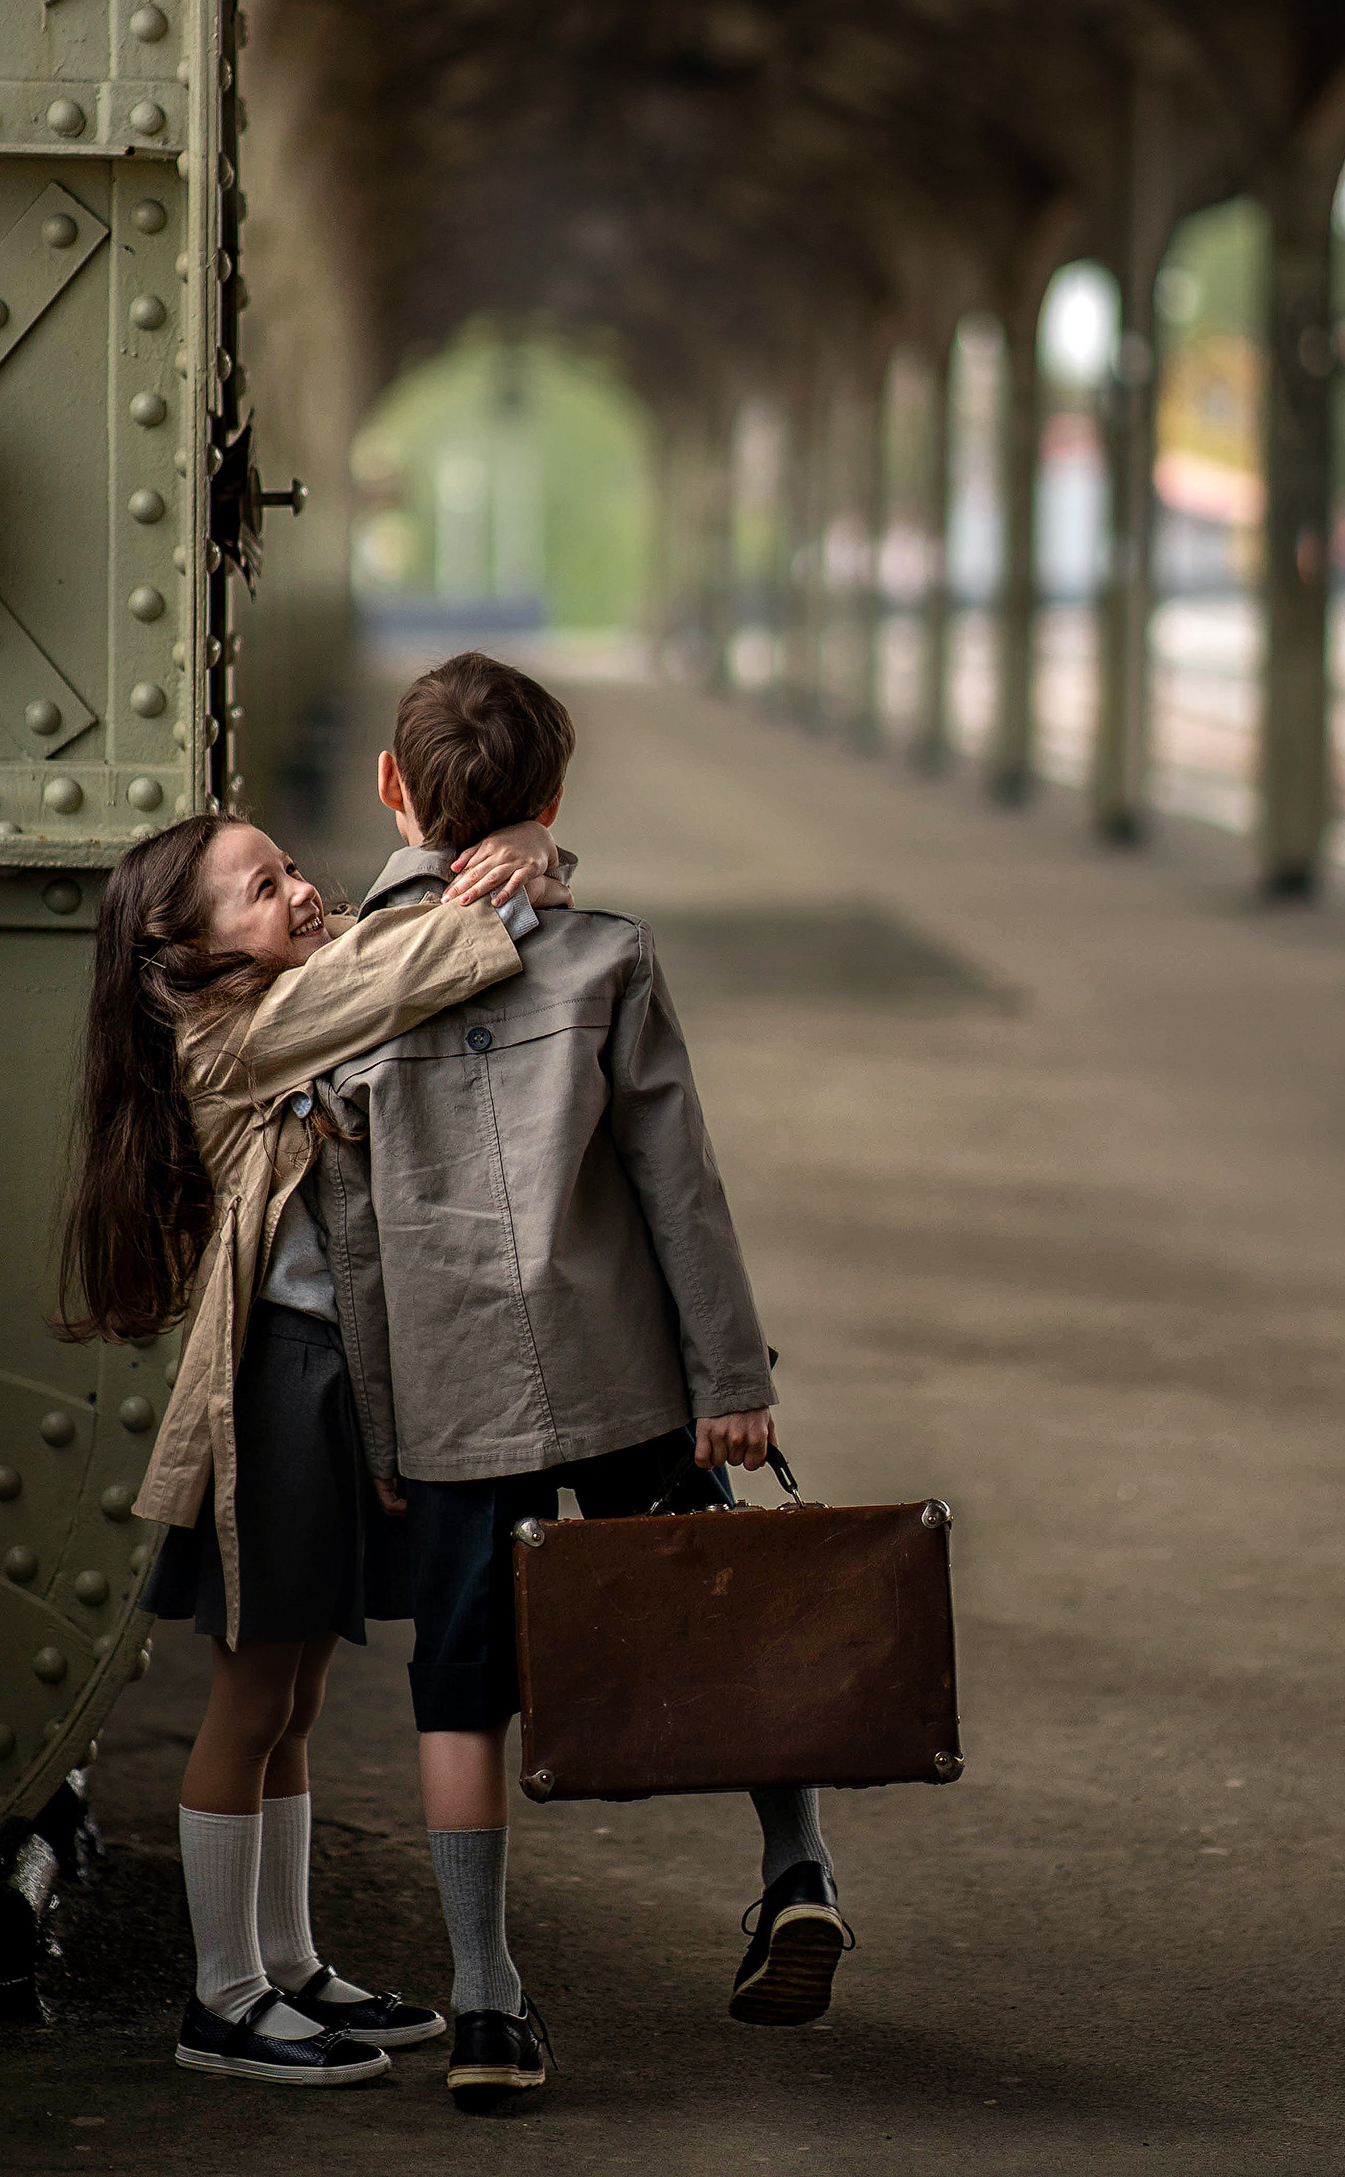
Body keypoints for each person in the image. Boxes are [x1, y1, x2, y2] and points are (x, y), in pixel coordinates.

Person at [312, 652, 850, 2115]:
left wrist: (382, 1404)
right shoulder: (609, 955)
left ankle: (486, 2001)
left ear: (388, 790)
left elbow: (352, 1234)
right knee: (709, 1609)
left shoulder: (347, 989)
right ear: (553, 800)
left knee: (459, 1691)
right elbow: (681, 1186)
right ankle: (794, 1867)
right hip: (624, 1367)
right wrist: (729, 1377)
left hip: (450, 1385)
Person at [56, 804, 569, 2088]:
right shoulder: (229, 1033)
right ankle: (221, 1999)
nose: (294, 892)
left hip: (330, 1380)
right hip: (275, 1386)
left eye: (288, 867)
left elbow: (385, 937)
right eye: (256, 888)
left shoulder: (289, 986)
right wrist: (506, 889)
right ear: (180, 949)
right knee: (247, 1697)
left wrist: (534, 861)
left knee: (294, 1696)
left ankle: (286, 1965)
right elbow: (399, 963)